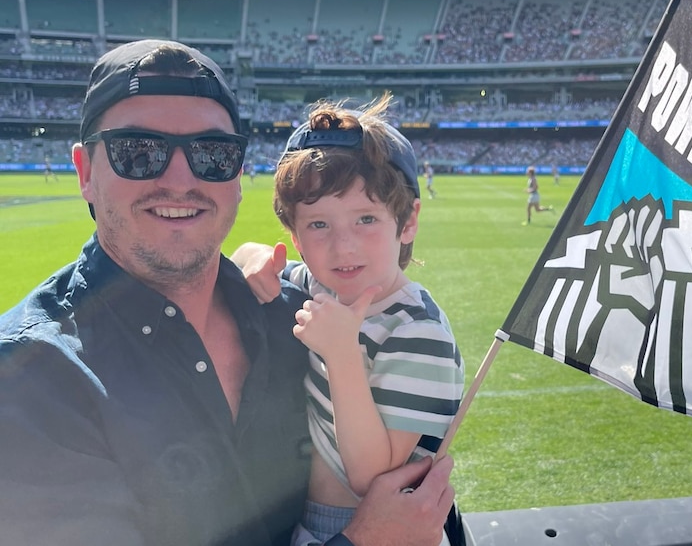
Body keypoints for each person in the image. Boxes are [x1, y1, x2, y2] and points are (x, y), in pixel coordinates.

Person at [0, 39, 455, 546]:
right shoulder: (29, 378)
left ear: (237, 176)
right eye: (137, 151)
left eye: (211, 154)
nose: (179, 179)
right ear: (86, 172)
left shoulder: (292, 313)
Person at [231, 95, 465, 544]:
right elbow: (245, 255)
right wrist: (256, 259)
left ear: (408, 221)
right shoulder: (324, 285)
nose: (344, 247)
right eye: (318, 225)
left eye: (365, 218)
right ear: (295, 237)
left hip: (371, 527)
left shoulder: (417, 331)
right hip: (310, 518)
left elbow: (373, 478)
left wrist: (341, 353)